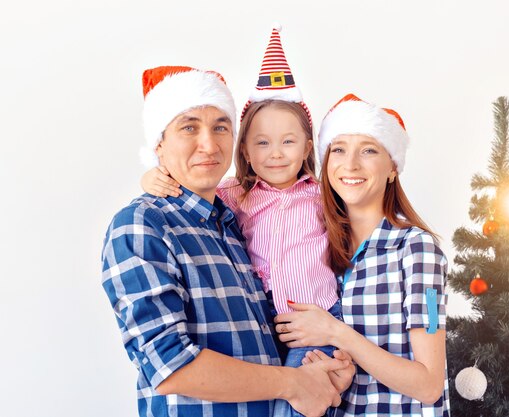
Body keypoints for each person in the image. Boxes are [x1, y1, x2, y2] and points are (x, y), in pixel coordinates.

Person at [101, 65, 353, 417]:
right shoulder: (142, 225)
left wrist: (322, 377)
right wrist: (295, 382)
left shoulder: (233, 224)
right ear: (158, 144)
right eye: (189, 127)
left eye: (220, 127)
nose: (209, 143)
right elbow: (169, 364)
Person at [274, 94, 451, 416]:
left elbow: (428, 385)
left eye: (368, 150)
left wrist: (335, 331)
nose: (351, 164)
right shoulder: (317, 248)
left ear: (392, 169)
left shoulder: (417, 250)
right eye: (338, 149)